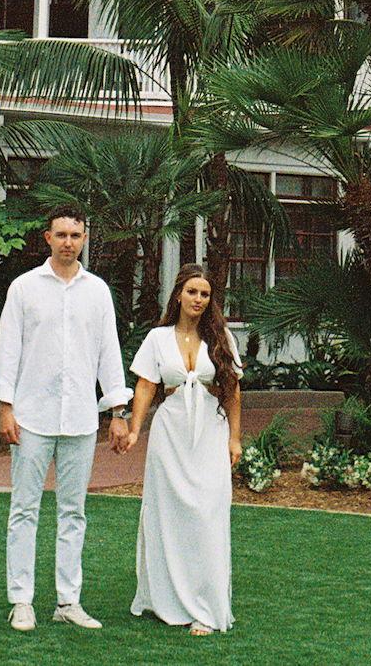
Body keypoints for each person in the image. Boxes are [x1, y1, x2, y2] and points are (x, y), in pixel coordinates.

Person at [0, 209, 131, 633]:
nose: (69, 242)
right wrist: (5, 405)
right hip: (31, 418)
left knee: (74, 512)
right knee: (24, 510)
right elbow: (8, 348)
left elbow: (109, 352)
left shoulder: (97, 291)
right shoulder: (24, 288)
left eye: (76, 235)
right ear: (47, 238)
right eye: (61, 235)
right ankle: (21, 601)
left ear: (84, 238)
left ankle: (68, 601)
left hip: (81, 421)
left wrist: (118, 412)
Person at [124, 264, 243, 636]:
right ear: (178, 295)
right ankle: (167, 599)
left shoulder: (221, 337)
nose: (198, 299)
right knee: (168, 515)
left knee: (207, 513)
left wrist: (235, 438)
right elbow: (146, 386)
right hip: (170, 433)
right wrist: (134, 429)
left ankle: (206, 606)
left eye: (205, 294)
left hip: (209, 430)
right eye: (192, 291)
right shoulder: (158, 338)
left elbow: (233, 390)